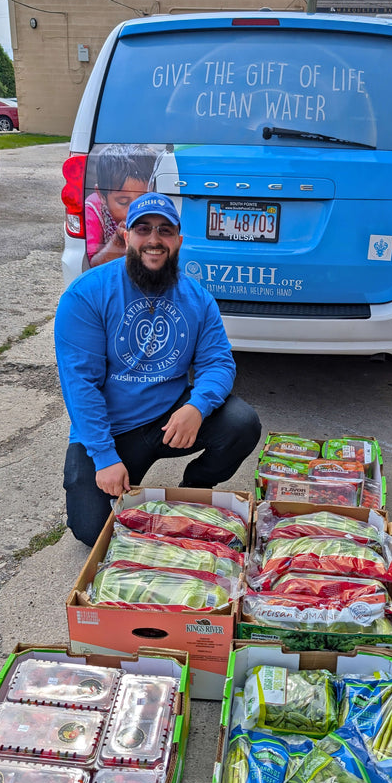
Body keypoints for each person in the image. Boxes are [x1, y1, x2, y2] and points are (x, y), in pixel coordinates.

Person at [55, 191, 262, 547]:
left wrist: (196, 407)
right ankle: (112, 468)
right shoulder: (86, 294)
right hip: (114, 430)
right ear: (125, 235)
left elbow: (218, 362)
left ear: (178, 240)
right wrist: (104, 457)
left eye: (165, 231)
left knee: (242, 423)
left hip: (170, 419)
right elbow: (80, 385)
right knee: (91, 531)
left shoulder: (196, 297)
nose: (154, 240)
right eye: (143, 229)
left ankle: (194, 491)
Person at [85, 145, 158, 267]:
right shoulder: (93, 210)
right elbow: (93, 265)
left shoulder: (161, 210)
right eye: (123, 202)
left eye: (144, 201)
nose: (134, 211)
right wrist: (117, 242)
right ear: (102, 196)